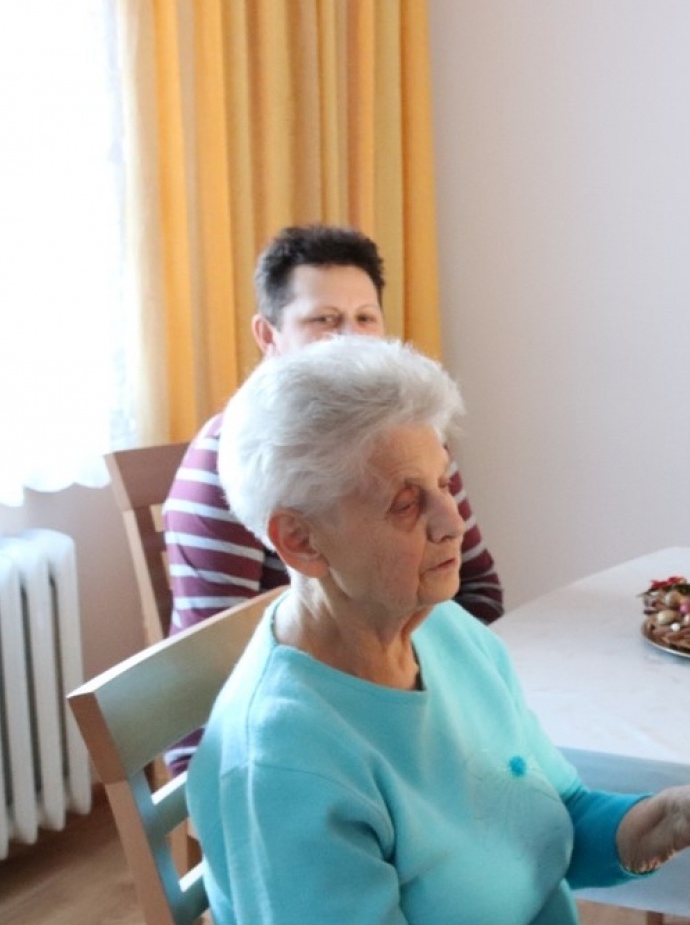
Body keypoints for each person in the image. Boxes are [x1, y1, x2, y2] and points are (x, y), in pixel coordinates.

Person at [186, 335, 690, 925]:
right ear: (302, 541)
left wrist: (670, 818)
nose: (452, 521)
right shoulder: (282, 767)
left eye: (445, 480)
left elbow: (552, 817)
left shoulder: (443, 630)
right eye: (407, 503)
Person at [162, 224, 504, 774]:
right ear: (268, 335)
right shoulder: (229, 468)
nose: (352, 339)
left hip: (403, 703)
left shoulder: (411, 435)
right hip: (282, 747)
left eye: (366, 318)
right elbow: (209, 676)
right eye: (324, 320)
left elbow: (479, 587)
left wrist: (437, 687)